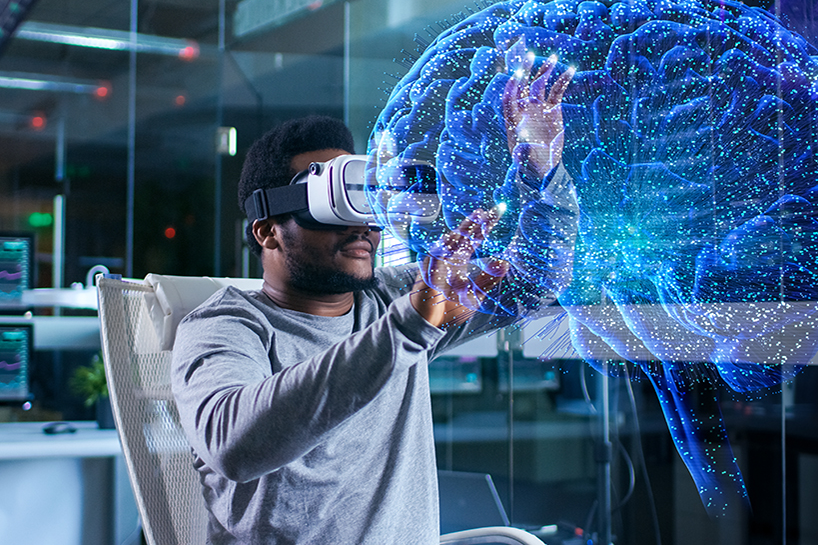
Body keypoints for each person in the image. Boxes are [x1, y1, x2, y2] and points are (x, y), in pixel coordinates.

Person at [171, 55, 578, 544]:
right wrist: (409, 326)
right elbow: (233, 444)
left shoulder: (394, 298)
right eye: (334, 201)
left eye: (368, 197)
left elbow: (536, 277)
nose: (364, 225)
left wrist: (541, 172)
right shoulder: (225, 326)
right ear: (268, 232)